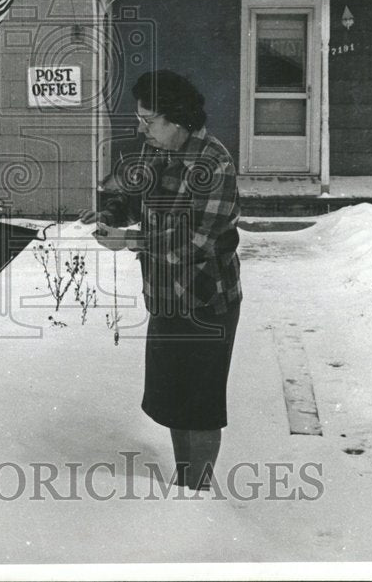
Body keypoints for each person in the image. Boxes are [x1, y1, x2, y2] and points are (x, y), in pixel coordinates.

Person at [82, 70, 242, 491]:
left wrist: (130, 240)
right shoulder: (155, 152)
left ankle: (199, 491)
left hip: (207, 301)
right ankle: (184, 481)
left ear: (179, 119)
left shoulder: (214, 163)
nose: (141, 128)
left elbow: (196, 241)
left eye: (149, 119)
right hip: (165, 298)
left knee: (201, 404)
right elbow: (132, 196)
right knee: (173, 399)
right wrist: (110, 215)